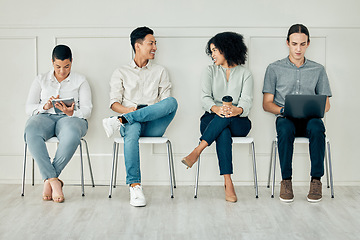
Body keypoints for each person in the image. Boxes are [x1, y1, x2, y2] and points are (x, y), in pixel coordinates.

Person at [102, 26, 178, 207]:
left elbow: (165, 104)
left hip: (154, 124)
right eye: (151, 43)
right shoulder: (120, 72)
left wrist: (134, 114)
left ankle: (120, 121)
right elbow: (114, 103)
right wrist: (129, 112)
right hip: (132, 124)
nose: (155, 47)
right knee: (133, 126)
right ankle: (135, 186)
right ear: (138, 46)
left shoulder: (160, 71)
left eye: (155, 43)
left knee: (173, 102)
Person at [262, 24, 332, 203]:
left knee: (317, 127)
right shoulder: (274, 68)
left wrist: (313, 108)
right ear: (287, 43)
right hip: (286, 118)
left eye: (302, 44)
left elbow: (327, 106)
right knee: (284, 129)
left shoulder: (318, 70)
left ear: (308, 43)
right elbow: (267, 104)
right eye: (294, 44)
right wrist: (284, 110)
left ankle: (316, 181)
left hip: (310, 120)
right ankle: (286, 181)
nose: (298, 49)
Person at [181, 32, 253, 203]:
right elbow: (205, 98)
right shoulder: (210, 71)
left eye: (215, 50)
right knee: (223, 131)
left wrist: (235, 110)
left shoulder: (245, 73)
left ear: (227, 49)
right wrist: (216, 108)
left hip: (239, 121)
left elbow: (247, 102)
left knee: (225, 123)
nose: (212, 55)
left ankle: (197, 150)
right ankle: (228, 183)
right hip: (212, 118)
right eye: (211, 51)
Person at [24, 45, 92, 203]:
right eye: (58, 66)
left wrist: (72, 113)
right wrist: (44, 107)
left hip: (71, 120)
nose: (62, 71)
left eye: (67, 66)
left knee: (71, 134)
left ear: (72, 62)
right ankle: (54, 181)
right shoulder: (40, 79)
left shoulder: (80, 80)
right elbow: (29, 108)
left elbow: (87, 110)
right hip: (45, 117)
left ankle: (49, 179)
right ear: (52, 62)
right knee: (31, 130)